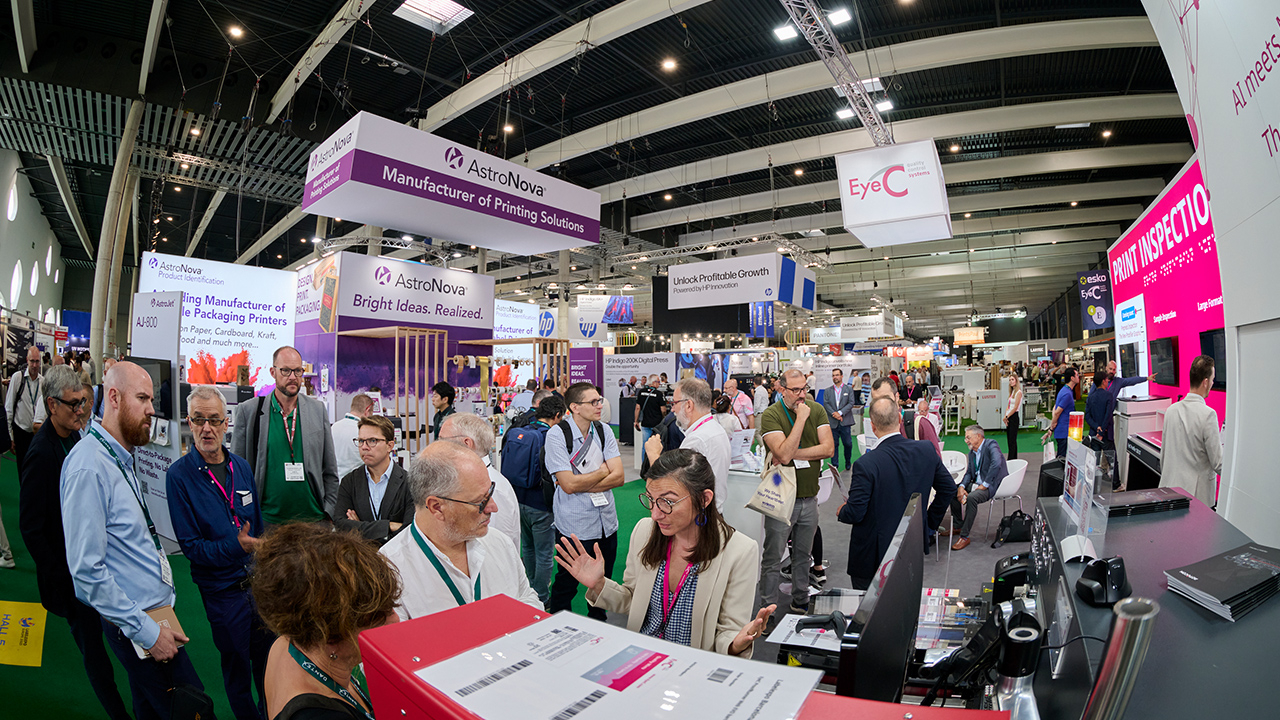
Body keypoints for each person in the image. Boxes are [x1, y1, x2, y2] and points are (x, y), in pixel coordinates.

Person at [62, 362, 210, 720]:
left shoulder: (117, 455)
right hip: (138, 626)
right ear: (113, 397)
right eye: (142, 399)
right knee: (193, 708)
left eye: (151, 400)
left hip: (151, 617)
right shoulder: (89, 466)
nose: (151, 411)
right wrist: (146, 631)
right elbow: (86, 573)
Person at [556, 449, 773, 655]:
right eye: (650, 499)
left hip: (690, 669)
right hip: (641, 657)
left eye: (667, 502)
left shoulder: (740, 552)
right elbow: (633, 600)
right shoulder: (644, 532)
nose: (655, 514)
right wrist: (599, 584)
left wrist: (737, 643)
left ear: (705, 499)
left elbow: (729, 632)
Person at [19, 368, 129, 719]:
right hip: (72, 579)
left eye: (84, 401)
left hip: (94, 565)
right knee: (94, 653)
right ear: (52, 405)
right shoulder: (41, 454)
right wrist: (66, 578)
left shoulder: (77, 436)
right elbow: (32, 529)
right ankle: (117, 712)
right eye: (73, 404)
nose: (81, 410)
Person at [167, 385, 273, 720]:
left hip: (258, 589)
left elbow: (255, 525)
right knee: (237, 672)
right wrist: (235, 546)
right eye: (199, 420)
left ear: (226, 422)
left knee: (268, 667)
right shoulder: (179, 477)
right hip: (222, 595)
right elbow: (192, 548)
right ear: (189, 421)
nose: (207, 428)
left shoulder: (241, 468)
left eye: (214, 419)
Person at [253, 523, 400, 720]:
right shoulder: (320, 715)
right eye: (375, 616)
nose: (395, 620)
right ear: (330, 636)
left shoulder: (288, 642)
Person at [380, 442, 541, 619]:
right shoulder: (389, 571)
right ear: (437, 507)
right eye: (481, 502)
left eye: (491, 491)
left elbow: (526, 596)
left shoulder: (500, 543)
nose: (493, 508)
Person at [838, 397, 954, 588]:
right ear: (900, 420)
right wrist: (926, 523)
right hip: (911, 545)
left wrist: (842, 511)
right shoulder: (926, 450)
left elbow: (855, 512)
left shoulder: (866, 464)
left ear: (873, 427)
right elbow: (948, 488)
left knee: (867, 609)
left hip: (873, 554)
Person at [231, 347, 339, 526]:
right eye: (286, 370)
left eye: (298, 371)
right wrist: (245, 515)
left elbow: (330, 469)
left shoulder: (317, 410)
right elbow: (237, 471)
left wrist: (329, 510)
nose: (292, 377)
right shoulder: (250, 411)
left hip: (314, 520)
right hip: (268, 522)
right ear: (273, 372)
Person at [546, 382, 626, 620]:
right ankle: (559, 625)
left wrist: (581, 482)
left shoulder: (604, 431)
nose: (599, 405)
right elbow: (567, 486)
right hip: (574, 525)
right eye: (593, 402)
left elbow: (619, 477)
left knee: (603, 582)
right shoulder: (557, 435)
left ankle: (599, 624)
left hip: (606, 523)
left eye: (599, 400)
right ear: (575, 407)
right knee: (566, 583)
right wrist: (602, 472)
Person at [758, 368, 834, 614]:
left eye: (804, 389)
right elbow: (781, 454)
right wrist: (800, 419)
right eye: (795, 390)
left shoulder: (818, 410)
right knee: (772, 558)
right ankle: (766, 610)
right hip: (781, 499)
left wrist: (792, 454)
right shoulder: (771, 415)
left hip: (810, 498)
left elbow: (828, 449)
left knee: (803, 555)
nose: (802, 395)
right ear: (781, 389)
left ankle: (800, 599)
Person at [503, 394, 565, 604]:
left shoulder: (521, 430)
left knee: (527, 548)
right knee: (545, 552)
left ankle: (529, 588)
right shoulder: (552, 437)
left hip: (518, 498)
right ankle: (541, 597)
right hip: (541, 503)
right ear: (557, 416)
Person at [438, 412, 521, 552]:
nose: (438, 447)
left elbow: (495, 548)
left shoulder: (494, 489)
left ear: (466, 443)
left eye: (442, 440)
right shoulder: (467, 481)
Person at [645, 379, 731, 512]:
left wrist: (653, 455)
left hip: (699, 517)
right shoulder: (715, 429)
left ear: (689, 405)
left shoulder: (697, 439)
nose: (672, 409)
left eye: (674, 403)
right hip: (712, 511)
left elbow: (672, 486)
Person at [332, 415, 413, 545]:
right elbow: (341, 525)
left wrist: (359, 527)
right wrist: (388, 526)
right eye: (360, 441)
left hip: (398, 559)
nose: (364, 447)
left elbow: (410, 530)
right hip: (361, 559)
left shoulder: (409, 483)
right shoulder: (350, 481)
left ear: (390, 445)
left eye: (372, 441)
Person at [1159, 356, 1223, 507]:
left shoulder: (1171, 410)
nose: (1213, 383)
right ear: (1205, 382)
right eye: (1212, 379)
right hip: (1195, 499)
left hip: (1169, 490)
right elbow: (1218, 463)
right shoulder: (1208, 415)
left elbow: (1164, 456)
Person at [946, 425, 1010, 551]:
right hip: (977, 484)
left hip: (992, 485)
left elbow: (996, 464)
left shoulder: (991, 444)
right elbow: (969, 473)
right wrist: (962, 487)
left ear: (979, 436)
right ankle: (958, 526)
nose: (966, 441)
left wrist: (985, 484)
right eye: (966, 438)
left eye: (968, 437)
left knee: (972, 498)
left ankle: (964, 536)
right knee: (952, 491)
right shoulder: (972, 453)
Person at [6, 346, 46, 472]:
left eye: (37, 361)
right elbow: (9, 408)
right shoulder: (18, 378)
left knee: (35, 469)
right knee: (22, 469)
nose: (34, 365)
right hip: (21, 432)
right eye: (32, 361)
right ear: (27, 360)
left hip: (37, 434)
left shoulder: (43, 382)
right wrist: (10, 437)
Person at [330, 393, 374, 480]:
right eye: (372, 413)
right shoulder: (362, 431)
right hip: (354, 483)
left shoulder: (334, 427)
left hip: (334, 483)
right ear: (367, 410)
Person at [822, 368, 857, 472]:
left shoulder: (848, 389)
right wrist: (835, 414)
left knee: (848, 443)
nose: (835, 377)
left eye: (837, 375)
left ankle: (847, 461)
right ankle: (835, 465)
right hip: (833, 422)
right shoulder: (828, 390)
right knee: (834, 444)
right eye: (833, 375)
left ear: (842, 376)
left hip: (845, 421)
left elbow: (851, 403)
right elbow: (826, 404)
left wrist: (840, 413)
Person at [1043, 368, 1079, 458]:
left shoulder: (1064, 390)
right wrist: (1051, 427)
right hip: (1064, 431)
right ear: (1072, 378)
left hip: (1063, 430)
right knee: (1061, 458)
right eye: (1077, 375)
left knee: (1062, 457)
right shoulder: (1067, 393)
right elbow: (1057, 412)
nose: (1079, 377)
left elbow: (1055, 408)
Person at [634, 373, 665, 447]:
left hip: (645, 423)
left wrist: (636, 421)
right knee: (656, 445)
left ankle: (644, 458)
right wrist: (664, 419)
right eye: (658, 382)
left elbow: (637, 408)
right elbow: (663, 410)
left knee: (645, 444)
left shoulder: (641, 392)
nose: (659, 384)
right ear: (653, 382)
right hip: (657, 424)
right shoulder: (659, 394)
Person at [1003, 373, 1023, 461]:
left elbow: (1015, 408)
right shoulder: (1012, 393)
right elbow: (1008, 405)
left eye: (1012, 379)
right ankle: (1012, 458)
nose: (1011, 382)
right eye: (1010, 380)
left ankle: (1012, 459)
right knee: (1009, 440)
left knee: (1012, 440)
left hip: (1014, 417)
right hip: (1009, 416)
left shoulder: (1019, 392)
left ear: (1016, 380)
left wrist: (1007, 416)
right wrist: (1005, 416)